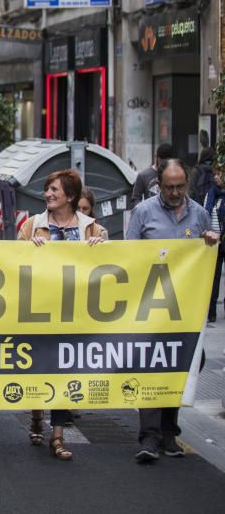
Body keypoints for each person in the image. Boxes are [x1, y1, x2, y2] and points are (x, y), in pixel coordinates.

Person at [127, 159, 218, 462]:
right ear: (159, 185)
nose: (175, 192)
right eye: (169, 187)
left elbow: (209, 260)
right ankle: (149, 438)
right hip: (152, 308)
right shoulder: (144, 212)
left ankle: (169, 433)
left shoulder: (201, 215)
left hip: (187, 310)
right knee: (151, 367)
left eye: (180, 187)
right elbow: (129, 257)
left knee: (184, 366)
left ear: (187, 185)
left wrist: (212, 242)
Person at [18, 170, 107, 461]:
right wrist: (27, 250)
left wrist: (100, 249)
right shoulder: (32, 226)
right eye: (47, 189)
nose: (48, 194)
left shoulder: (92, 228)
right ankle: (35, 415)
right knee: (39, 366)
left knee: (65, 370)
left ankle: (57, 435)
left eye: (54, 190)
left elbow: (112, 265)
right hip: (38, 310)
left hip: (75, 313)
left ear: (70, 195)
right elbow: (8, 261)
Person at [204, 171, 225, 322]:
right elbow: (205, 214)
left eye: (220, 175)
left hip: (223, 238)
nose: (216, 177)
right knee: (214, 277)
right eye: (216, 174)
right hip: (213, 242)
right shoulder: (211, 194)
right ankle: (211, 312)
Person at [130, 143, 175, 209]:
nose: (164, 164)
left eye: (167, 161)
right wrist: (142, 212)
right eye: (162, 161)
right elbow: (136, 198)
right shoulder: (144, 175)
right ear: (157, 157)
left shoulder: (175, 174)